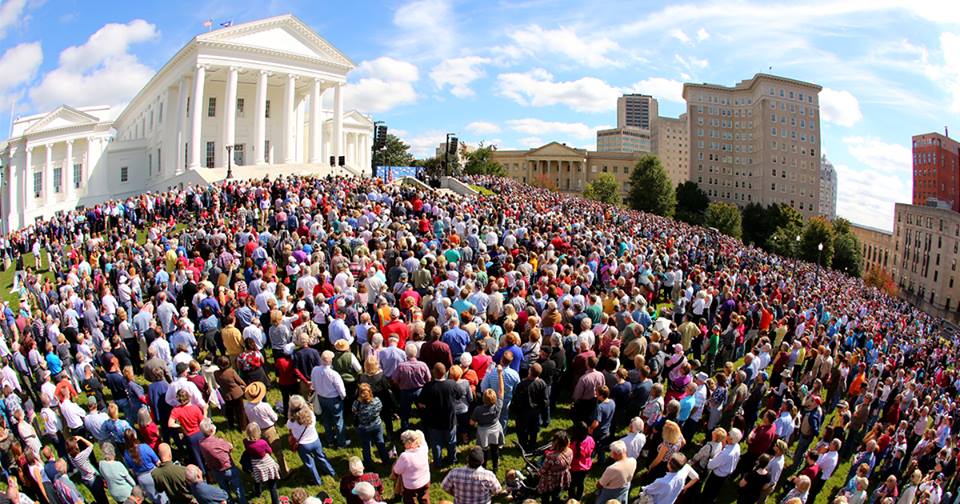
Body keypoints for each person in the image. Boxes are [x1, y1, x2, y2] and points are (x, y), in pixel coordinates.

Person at [417, 362, 462, 467]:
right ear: (445, 372)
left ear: (434, 372)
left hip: (434, 421)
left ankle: (438, 462)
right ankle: (452, 459)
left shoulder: (428, 387)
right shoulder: (452, 384)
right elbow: (460, 395)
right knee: (451, 442)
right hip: (449, 420)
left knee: (436, 443)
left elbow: (420, 403)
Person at [286, 394, 336, 485]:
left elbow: (290, 430)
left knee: (310, 464)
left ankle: (318, 482)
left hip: (303, 446)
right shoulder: (311, 415)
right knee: (321, 457)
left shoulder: (291, 422)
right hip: (315, 441)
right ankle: (332, 472)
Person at [242, 382, 288, 478]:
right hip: (269, 430)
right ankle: (284, 472)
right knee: (278, 452)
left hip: (256, 431)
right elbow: (275, 418)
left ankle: (270, 470)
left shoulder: (246, 406)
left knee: (264, 453)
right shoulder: (265, 406)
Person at [198, 419, 247, 504]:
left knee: (224, 490)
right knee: (238, 487)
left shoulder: (201, 443)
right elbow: (230, 447)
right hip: (228, 469)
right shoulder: (219, 442)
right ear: (212, 430)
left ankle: (229, 502)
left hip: (216, 470)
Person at [311, 350, 349, 448]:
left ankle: (330, 440)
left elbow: (313, 384)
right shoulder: (333, 374)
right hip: (334, 399)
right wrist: (342, 397)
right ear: (331, 361)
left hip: (321, 398)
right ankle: (341, 442)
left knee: (326, 420)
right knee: (338, 421)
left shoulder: (315, 370)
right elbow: (341, 390)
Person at [471, 367, 505, 473]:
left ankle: (483, 467)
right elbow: (501, 389)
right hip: (495, 429)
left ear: (483, 399)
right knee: (495, 449)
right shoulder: (498, 405)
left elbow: (472, 423)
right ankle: (495, 467)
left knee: (484, 450)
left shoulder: (478, 409)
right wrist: (500, 374)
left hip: (483, 432)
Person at [242, 423, 282, 504]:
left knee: (257, 480)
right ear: (258, 432)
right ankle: (276, 502)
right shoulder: (262, 442)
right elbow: (269, 451)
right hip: (266, 463)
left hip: (256, 464)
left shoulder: (245, 442)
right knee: (272, 486)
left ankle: (258, 493)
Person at [353, 383, 390, 468]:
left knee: (366, 446)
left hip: (363, 428)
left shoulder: (357, 404)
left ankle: (368, 464)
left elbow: (354, 411)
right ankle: (386, 460)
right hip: (377, 425)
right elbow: (380, 408)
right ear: (370, 392)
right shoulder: (377, 401)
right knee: (380, 442)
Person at [392, 430, 430, 504]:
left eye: (404, 442)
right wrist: (416, 434)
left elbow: (397, 471)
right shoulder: (424, 448)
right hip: (425, 480)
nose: (403, 444)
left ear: (409, 443)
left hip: (410, 485)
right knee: (424, 498)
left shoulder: (405, 456)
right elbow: (421, 433)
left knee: (409, 500)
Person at [537, 431, 573, 504]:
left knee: (545, 496)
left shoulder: (551, 457)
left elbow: (543, 470)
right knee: (556, 494)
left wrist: (538, 473)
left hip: (549, 480)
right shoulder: (570, 451)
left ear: (555, 444)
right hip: (561, 478)